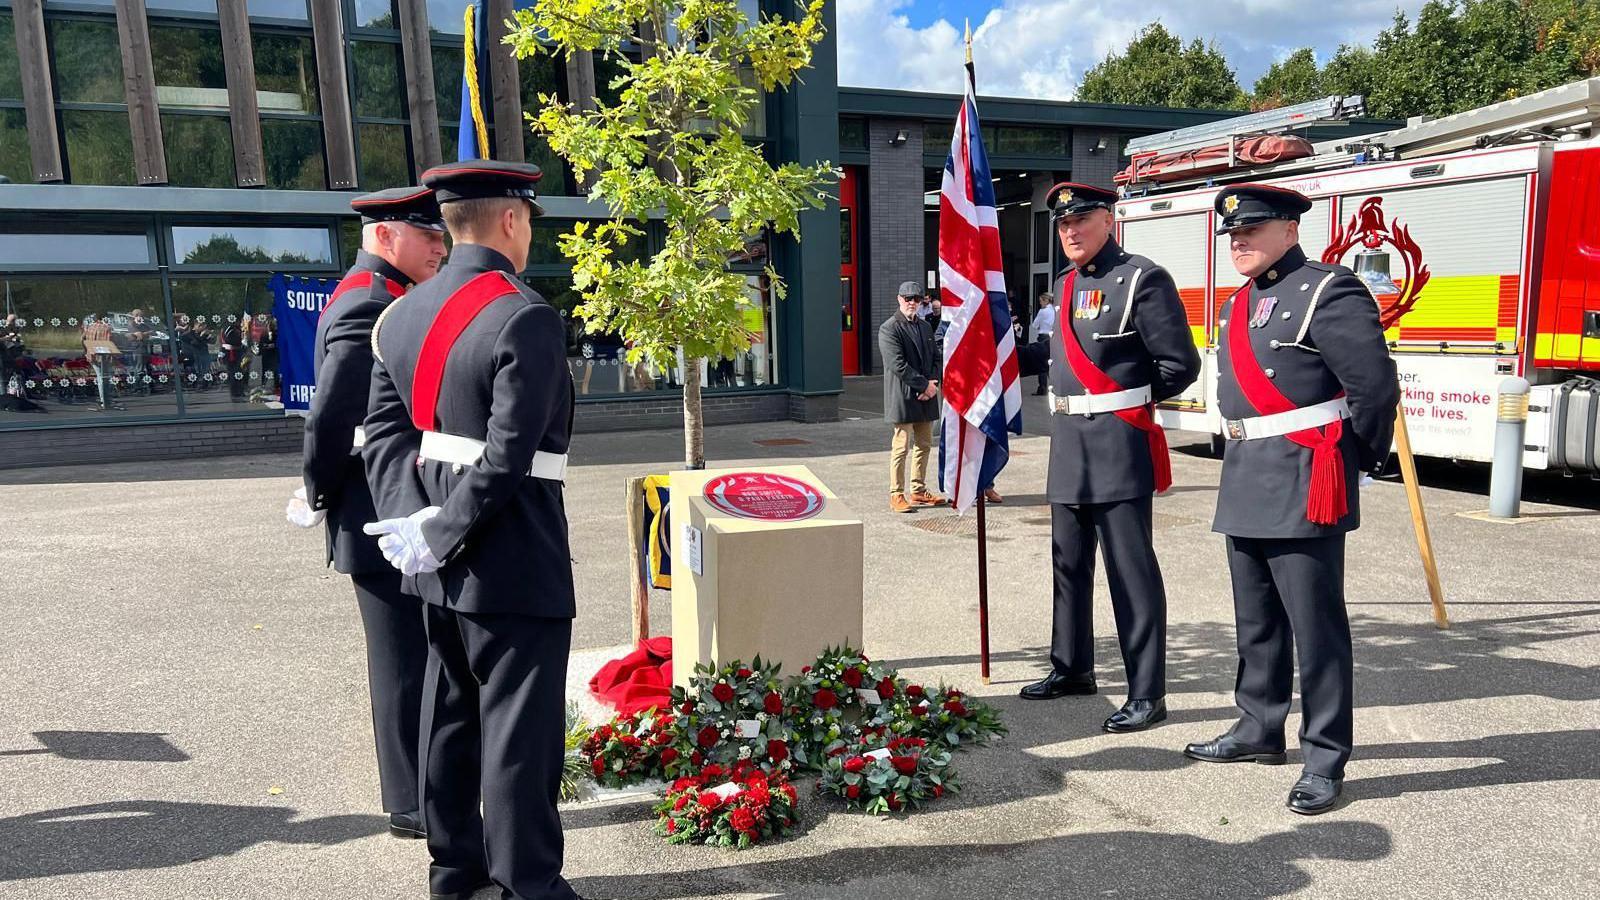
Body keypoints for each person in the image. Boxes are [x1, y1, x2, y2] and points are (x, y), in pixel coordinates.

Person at [360, 160, 593, 900]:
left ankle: (456, 878)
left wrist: (417, 523)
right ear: (513, 220)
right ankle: (528, 887)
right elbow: (509, 454)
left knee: (451, 724)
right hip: (512, 550)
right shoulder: (525, 314)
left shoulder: (401, 314)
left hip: (433, 554)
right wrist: (445, 527)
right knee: (520, 739)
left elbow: (385, 433)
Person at [1182, 184, 1398, 815]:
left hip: (1307, 475)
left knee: (1317, 627)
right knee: (1256, 621)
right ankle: (1257, 727)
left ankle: (1325, 754)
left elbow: (1373, 387)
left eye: (1252, 229)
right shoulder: (1238, 302)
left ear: (1288, 230)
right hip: (1248, 471)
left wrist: (1350, 461)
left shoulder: (1329, 290)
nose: (1239, 242)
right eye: (1233, 234)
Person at [285, 185, 447, 842]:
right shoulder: (369, 304)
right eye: (427, 234)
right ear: (385, 236)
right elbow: (331, 418)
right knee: (402, 659)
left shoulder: (384, 296)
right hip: (374, 507)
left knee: (415, 653)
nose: (441, 246)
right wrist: (317, 489)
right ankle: (411, 803)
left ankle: (421, 792)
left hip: (387, 503)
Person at [1014, 183, 1201, 734]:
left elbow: (1179, 364)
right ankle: (1071, 668)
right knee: (1067, 564)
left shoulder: (1144, 279)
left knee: (1130, 571)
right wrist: (995, 350)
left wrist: (1125, 402)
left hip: (1118, 444)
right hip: (1069, 442)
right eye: (1063, 224)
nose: (1070, 231)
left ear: (1108, 219)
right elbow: (1055, 356)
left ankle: (1147, 692)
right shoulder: (1067, 284)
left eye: (1081, 220)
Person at [878, 280, 946, 513]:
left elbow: (937, 357)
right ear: (899, 299)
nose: (912, 303)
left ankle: (918, 490)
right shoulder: (889, 328)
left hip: (926, 394)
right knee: (901, 447)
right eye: (907, 299)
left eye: (916, 299)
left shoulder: (926, 327)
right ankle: (896, 493)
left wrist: (933, 382)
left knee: (924, 445)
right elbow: (897, 364)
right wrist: (924, 387)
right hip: (904, 396)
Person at [1028, 292, 1056, 395]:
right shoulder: (1054, 311)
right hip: (1052, 336)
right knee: (1051, 362)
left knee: (1041, 362)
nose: (1040, 304)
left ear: (1046, 300)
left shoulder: (1042, 311)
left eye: (1041, 301)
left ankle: (1042, 388)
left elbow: (1035, 325)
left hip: (1043, 336)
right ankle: (1054, 387)